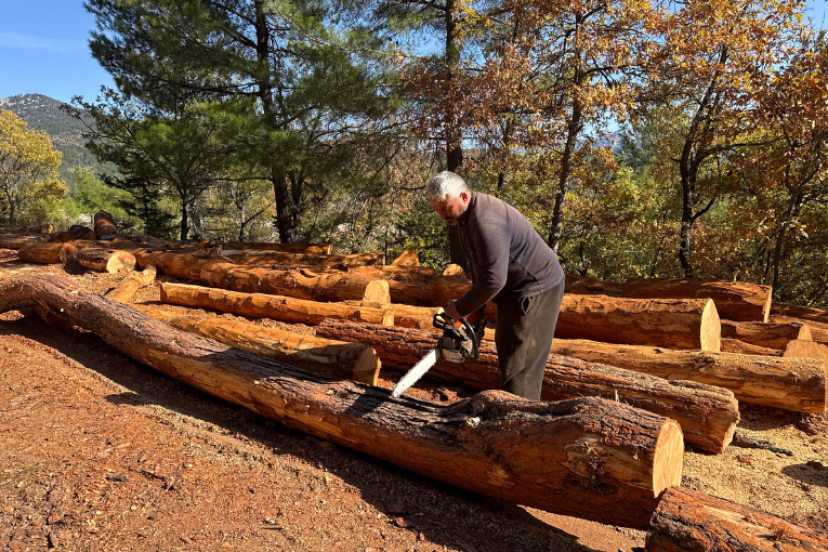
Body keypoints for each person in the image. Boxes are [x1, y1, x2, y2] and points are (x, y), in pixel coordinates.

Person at [427, 171, 565, 401]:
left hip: (536, 288)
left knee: (520, 369)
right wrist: (473, 312)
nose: (442, 215)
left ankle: (522, 424)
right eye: (437, 209)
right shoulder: (464, 217)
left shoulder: (485, 221)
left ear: (463, 196)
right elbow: (483, 271)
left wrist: (458, 309)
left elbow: (493, 280)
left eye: (445, 208)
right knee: (508, 354)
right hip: (513, 290)